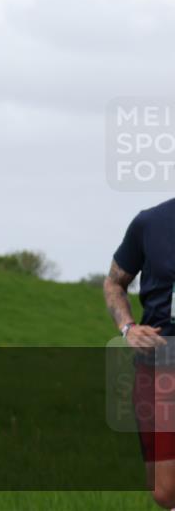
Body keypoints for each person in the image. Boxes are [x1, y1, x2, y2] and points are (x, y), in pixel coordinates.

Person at [103, 197, 175, 509]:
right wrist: (128, 328)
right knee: (161, 490)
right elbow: (114, 282)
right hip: (158, 362)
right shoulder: (150, 222)